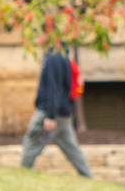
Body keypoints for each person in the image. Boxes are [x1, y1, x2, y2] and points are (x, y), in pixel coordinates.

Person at [21, 41, 91, 177]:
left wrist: (50, 116)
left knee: (31, 144)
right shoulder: (63, 56)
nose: (37, 37)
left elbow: (54, 88)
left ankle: (21, 176)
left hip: (50, 113)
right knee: (72, 149)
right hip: (63, 114)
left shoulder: (53, 58)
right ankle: (88, 176)